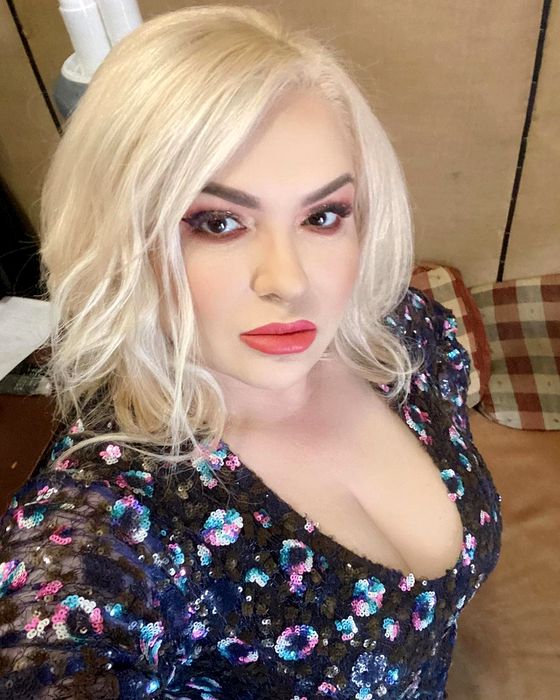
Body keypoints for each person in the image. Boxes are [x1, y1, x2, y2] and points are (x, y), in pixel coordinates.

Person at [0, 5, 502, 699]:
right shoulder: (113, 518)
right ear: (121, 237)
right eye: (218, 223)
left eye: (323, 216)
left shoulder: (407, 336)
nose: (288, 282)